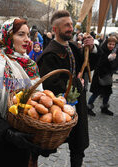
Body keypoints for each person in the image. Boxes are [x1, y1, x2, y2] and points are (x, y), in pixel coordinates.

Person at [0, 18, 54, 167]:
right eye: (21, 34)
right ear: (8, 36)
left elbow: (38, 99)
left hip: (26, 136)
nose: (27, 40)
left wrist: (42, 134)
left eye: (28, 35)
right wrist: (8, 133)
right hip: (1, 141)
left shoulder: (29, 64)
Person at [37, 10, 100, 167]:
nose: (71, 28)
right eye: (66, 25)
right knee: (42, 146)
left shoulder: (72, 47)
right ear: (55, 29)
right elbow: (51, 85)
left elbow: (87, 66)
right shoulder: (49, 54)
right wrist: (78, 85)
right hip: (58, 107)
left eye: (71, 24)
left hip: (77, 105)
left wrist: (91, 49)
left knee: (78, 146)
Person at [87, 37, 118, 116]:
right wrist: (108, 59)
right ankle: (88, 108)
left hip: (107, 77)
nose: (111, 46)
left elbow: (113, 66)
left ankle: (104, 108)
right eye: (110, 44)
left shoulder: (113, 52)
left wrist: (113, 60)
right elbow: (98, 64)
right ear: (106, 43)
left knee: (107, 93)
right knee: (96, 93)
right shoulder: (102, 51)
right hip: (99, 76)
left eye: (113, 44)